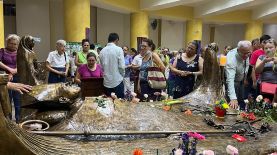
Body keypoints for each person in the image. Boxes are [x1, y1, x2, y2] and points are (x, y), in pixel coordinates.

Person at [0, 34, 21, 123]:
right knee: (6, 99)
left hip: (17, 76)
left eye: (15, 44)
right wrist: (9, 70)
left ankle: (18, 119)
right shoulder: (2, 51)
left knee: (18, 99)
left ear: (18, 44)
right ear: (7, 42)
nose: (12, 45)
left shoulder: (20, 52)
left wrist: (13, 71)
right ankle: (7, 120)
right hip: (4, 76)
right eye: (11, 43)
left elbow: (22, 64)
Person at [225, 40, 251, 110]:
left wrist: (244, 78)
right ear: (238, 50)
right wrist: (233, 98)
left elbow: (247, 66)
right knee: (232, 105)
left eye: (248, 53)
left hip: (241, 80)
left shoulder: (246, 52)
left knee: (241, 102)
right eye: (243, 53)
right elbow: (230, 80)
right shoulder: (231, 59)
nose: (246, 55)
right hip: (233, 82)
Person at [99, 33, 125, 98]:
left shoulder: (102, 51)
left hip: (106, 81)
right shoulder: (119, 49)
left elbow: (101, 67)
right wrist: (122, 75)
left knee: (109, 103)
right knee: (120, 103)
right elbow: (122, 66)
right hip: (117, 80)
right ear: (116, 40)